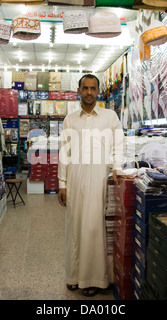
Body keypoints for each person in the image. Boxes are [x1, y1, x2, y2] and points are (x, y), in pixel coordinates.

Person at [57, 74, 124, 297]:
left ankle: (94, 279)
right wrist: (62, 183)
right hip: (75, 179)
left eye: (92, 88)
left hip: (98, 180)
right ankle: (74, 276)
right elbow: (64, 153)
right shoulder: (70, 120)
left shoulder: (109, 117)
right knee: (74, 228)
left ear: (98, 91)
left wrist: (117, 168)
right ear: (79, 90)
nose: (88, 92)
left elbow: (118, 145)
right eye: (85, 88)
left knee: (93, 228)